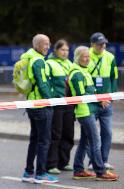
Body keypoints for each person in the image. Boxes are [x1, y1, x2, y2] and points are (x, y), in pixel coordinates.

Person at [69, 46, 119, 181]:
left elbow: (91, 91)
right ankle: (101, 172)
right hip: (85, 112)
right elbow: (81, 95)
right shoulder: (77, 73)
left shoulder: (83, 71)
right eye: (84, 57)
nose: (87, 59)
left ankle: (78, 170)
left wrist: (98, 98)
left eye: (88, 56)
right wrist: (99, 101)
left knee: (85, 142)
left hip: (89, 110)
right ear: (77, 57)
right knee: (96, 142)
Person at [21, 34, 58, 184]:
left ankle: (28, 172)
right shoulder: (38, 61)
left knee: (34, 139)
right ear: (37, 45)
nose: (48, 47)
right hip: (42, 105)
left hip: (32, 104)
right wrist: (51, 100)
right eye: (45, 44)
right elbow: (42, 84)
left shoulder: (29, 57)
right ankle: (40, 173)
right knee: (44, 140)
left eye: (49, 44)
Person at [87, 32, 119, 170]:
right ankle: (92, 161)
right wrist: (97, 98)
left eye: (104, 43)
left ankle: (104, 160)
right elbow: (84, 80)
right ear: (92, 44)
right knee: (90, 134)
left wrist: (109, 97)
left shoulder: (110, 57)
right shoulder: (85, 55)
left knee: (107, 133)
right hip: (91, 101)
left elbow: (114, 78)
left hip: (106, 102)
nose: (103, 46)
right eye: (100, 44)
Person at [46, 39, 75, 174]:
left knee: (68, 134)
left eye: (67, 50)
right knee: (55, 135)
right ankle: (52, 164)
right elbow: (47, 83)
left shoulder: (71, 64)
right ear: (56, 50)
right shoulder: (49, 63)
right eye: (62, 50)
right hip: (57, 103)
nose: (65, 52)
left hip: (69, 103)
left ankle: (64, 162)